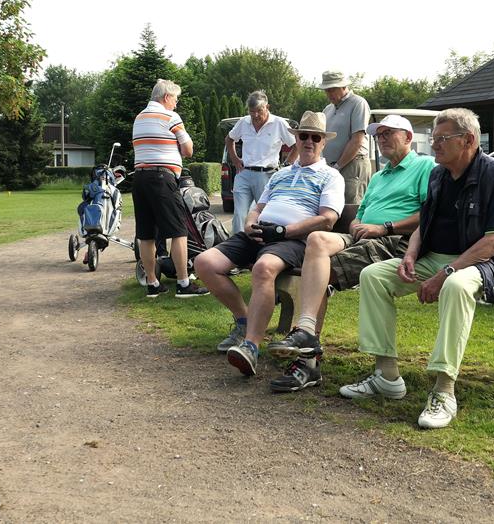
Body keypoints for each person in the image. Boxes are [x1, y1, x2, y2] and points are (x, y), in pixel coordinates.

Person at [340, 108, 494, 429]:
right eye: (434, 138)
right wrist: (410, 255)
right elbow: (424, 225)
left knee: (455, 286)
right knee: (374, 276)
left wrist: (445, 273)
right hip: (436, 258)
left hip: (485, 262)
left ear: (468, 140)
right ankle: (386, 375)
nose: (434, 145)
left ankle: (444, 389)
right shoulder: (438, 175)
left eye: (442, 139)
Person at [263, 114, 436, 393]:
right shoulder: (378, 176)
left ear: (408, 137)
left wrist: (384, 227)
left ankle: (307, 361)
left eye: (388, 133)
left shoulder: (425, 167)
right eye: (378, 135)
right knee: (317, 239)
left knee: (319, 275)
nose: (381, 139)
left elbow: (430, 215)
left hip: (394, 240)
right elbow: (361, 213)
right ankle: (306, 333)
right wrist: (356, 224)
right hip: (362, 236)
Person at [195, 111, 344, 377]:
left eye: (315, 138)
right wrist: (249, 223)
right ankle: (244, 319)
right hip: (259, 232)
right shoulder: (280, 174)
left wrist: (284, 231)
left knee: (263, 268)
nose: (308, 142)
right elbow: (258, 207)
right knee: (204, 263)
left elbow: (328, 219)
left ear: (323, 142)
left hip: (292, 240)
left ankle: (251, 346)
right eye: (304, 136)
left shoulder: (330, 176)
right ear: (296, 140)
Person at [131, 79, 209, 298]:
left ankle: (152, 283)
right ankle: (184, 283)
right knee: (178, 230)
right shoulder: (170, 117)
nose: (176, 103)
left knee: (146, 234)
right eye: (175, 98)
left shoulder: (139, 117)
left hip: (139, 178)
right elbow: (188, 149)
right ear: (166, 97)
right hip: (162, 178)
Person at [226, 90, 298, 234]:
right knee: (239, 214)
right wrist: (235, 159)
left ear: (267, 107)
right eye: (252, 111)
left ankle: (264, 243)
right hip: (244, 173)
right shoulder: (244, 122)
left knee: (265, 214)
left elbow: (296, 145)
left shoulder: (279, 123)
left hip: (267, 175)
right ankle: (237, 244)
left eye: (259, 110)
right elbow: (229, 139)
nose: (255, 115)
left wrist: (287, 165)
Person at [320, 71, 372, 204]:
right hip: (331, 168)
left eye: (332, 89)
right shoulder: (328, 109)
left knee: (350, 207)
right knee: (330, 206)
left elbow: (357, 141)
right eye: (326, 90)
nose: (329, 94)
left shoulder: (358, 103)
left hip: (352, 166)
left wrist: (337, 166)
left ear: (343, 86)